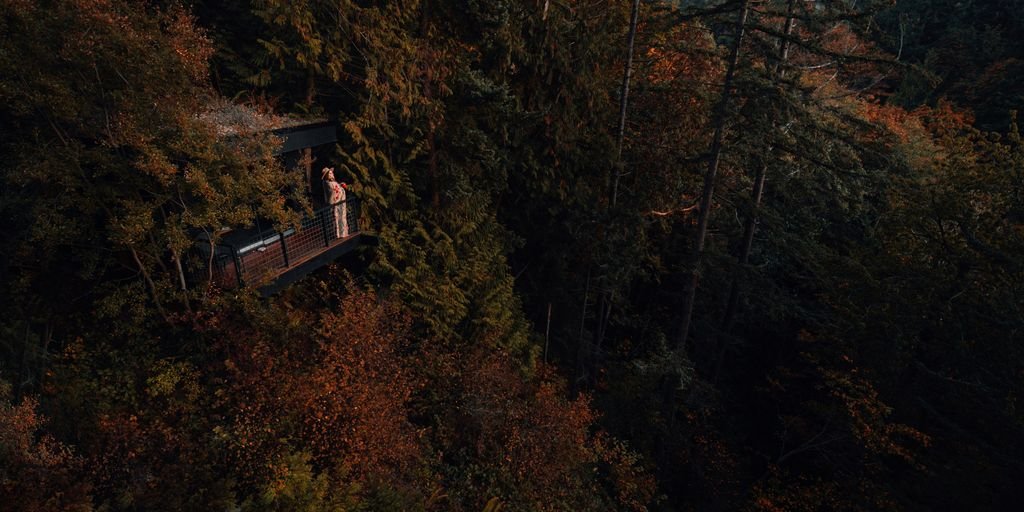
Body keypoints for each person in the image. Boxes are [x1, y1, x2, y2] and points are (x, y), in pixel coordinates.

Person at [321, 167, 348, 238]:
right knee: (335, 219)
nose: (331, 174)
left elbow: (337, 187)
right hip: (334, 204)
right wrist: (340, 186)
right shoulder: (326, 183)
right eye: (329, 173)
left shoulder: (333, 182)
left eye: (331, 173)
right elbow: (333, 190)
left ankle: (343, 233)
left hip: (340, 204)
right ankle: (337, 234)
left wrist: (340, 185)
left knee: (341, 217)